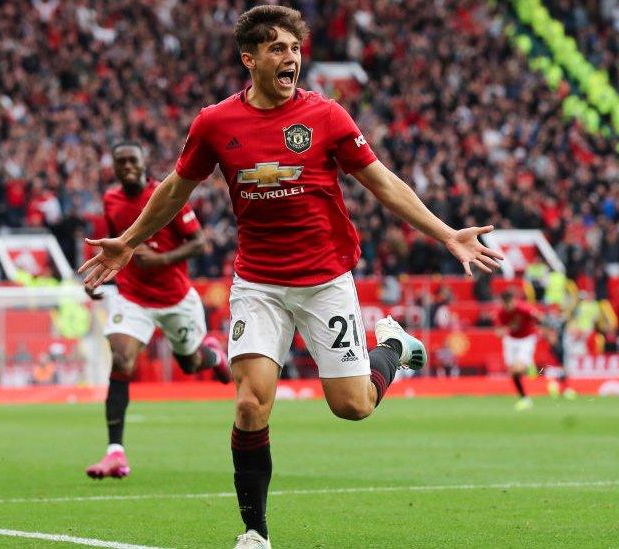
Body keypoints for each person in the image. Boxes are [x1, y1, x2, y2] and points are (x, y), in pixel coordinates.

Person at [79, 7, 503, 547]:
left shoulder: (326, 117)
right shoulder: (214, 123)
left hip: (325, 280)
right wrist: (131, 240)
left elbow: (383, 183)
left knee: (352, 406)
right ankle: (254, 533)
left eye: (295, 49)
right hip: (258, 283)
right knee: (250, 403)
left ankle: (392, 345)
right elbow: (173, 190)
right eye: (278, 49)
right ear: (249, 59)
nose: (291, 58)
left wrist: (445, 233)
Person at [84, 141, 233, 480]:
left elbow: (199, 243)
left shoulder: (168, 195)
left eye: (132, 160)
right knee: (121, 359)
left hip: (175, 299)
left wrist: (162, 259)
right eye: (120, 162)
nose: (127, 167)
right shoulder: (111, 201)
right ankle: (115, 454)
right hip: (133, 297)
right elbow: (116, 244)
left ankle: (215, 357)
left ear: (143, 162)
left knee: (190, 362)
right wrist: (100, 278)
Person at [497, 289, 540, 410]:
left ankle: (528, 366)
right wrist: (503, 331)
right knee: (512, 372)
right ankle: (524, 398)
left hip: (526, 340)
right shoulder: (500, 313)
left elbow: (538, 316)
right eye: (505, 304)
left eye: (509, 303)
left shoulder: (523, 308)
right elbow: (499, 330)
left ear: (513, 301)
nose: (508, 307)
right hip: (510, 341)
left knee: (517, 369)